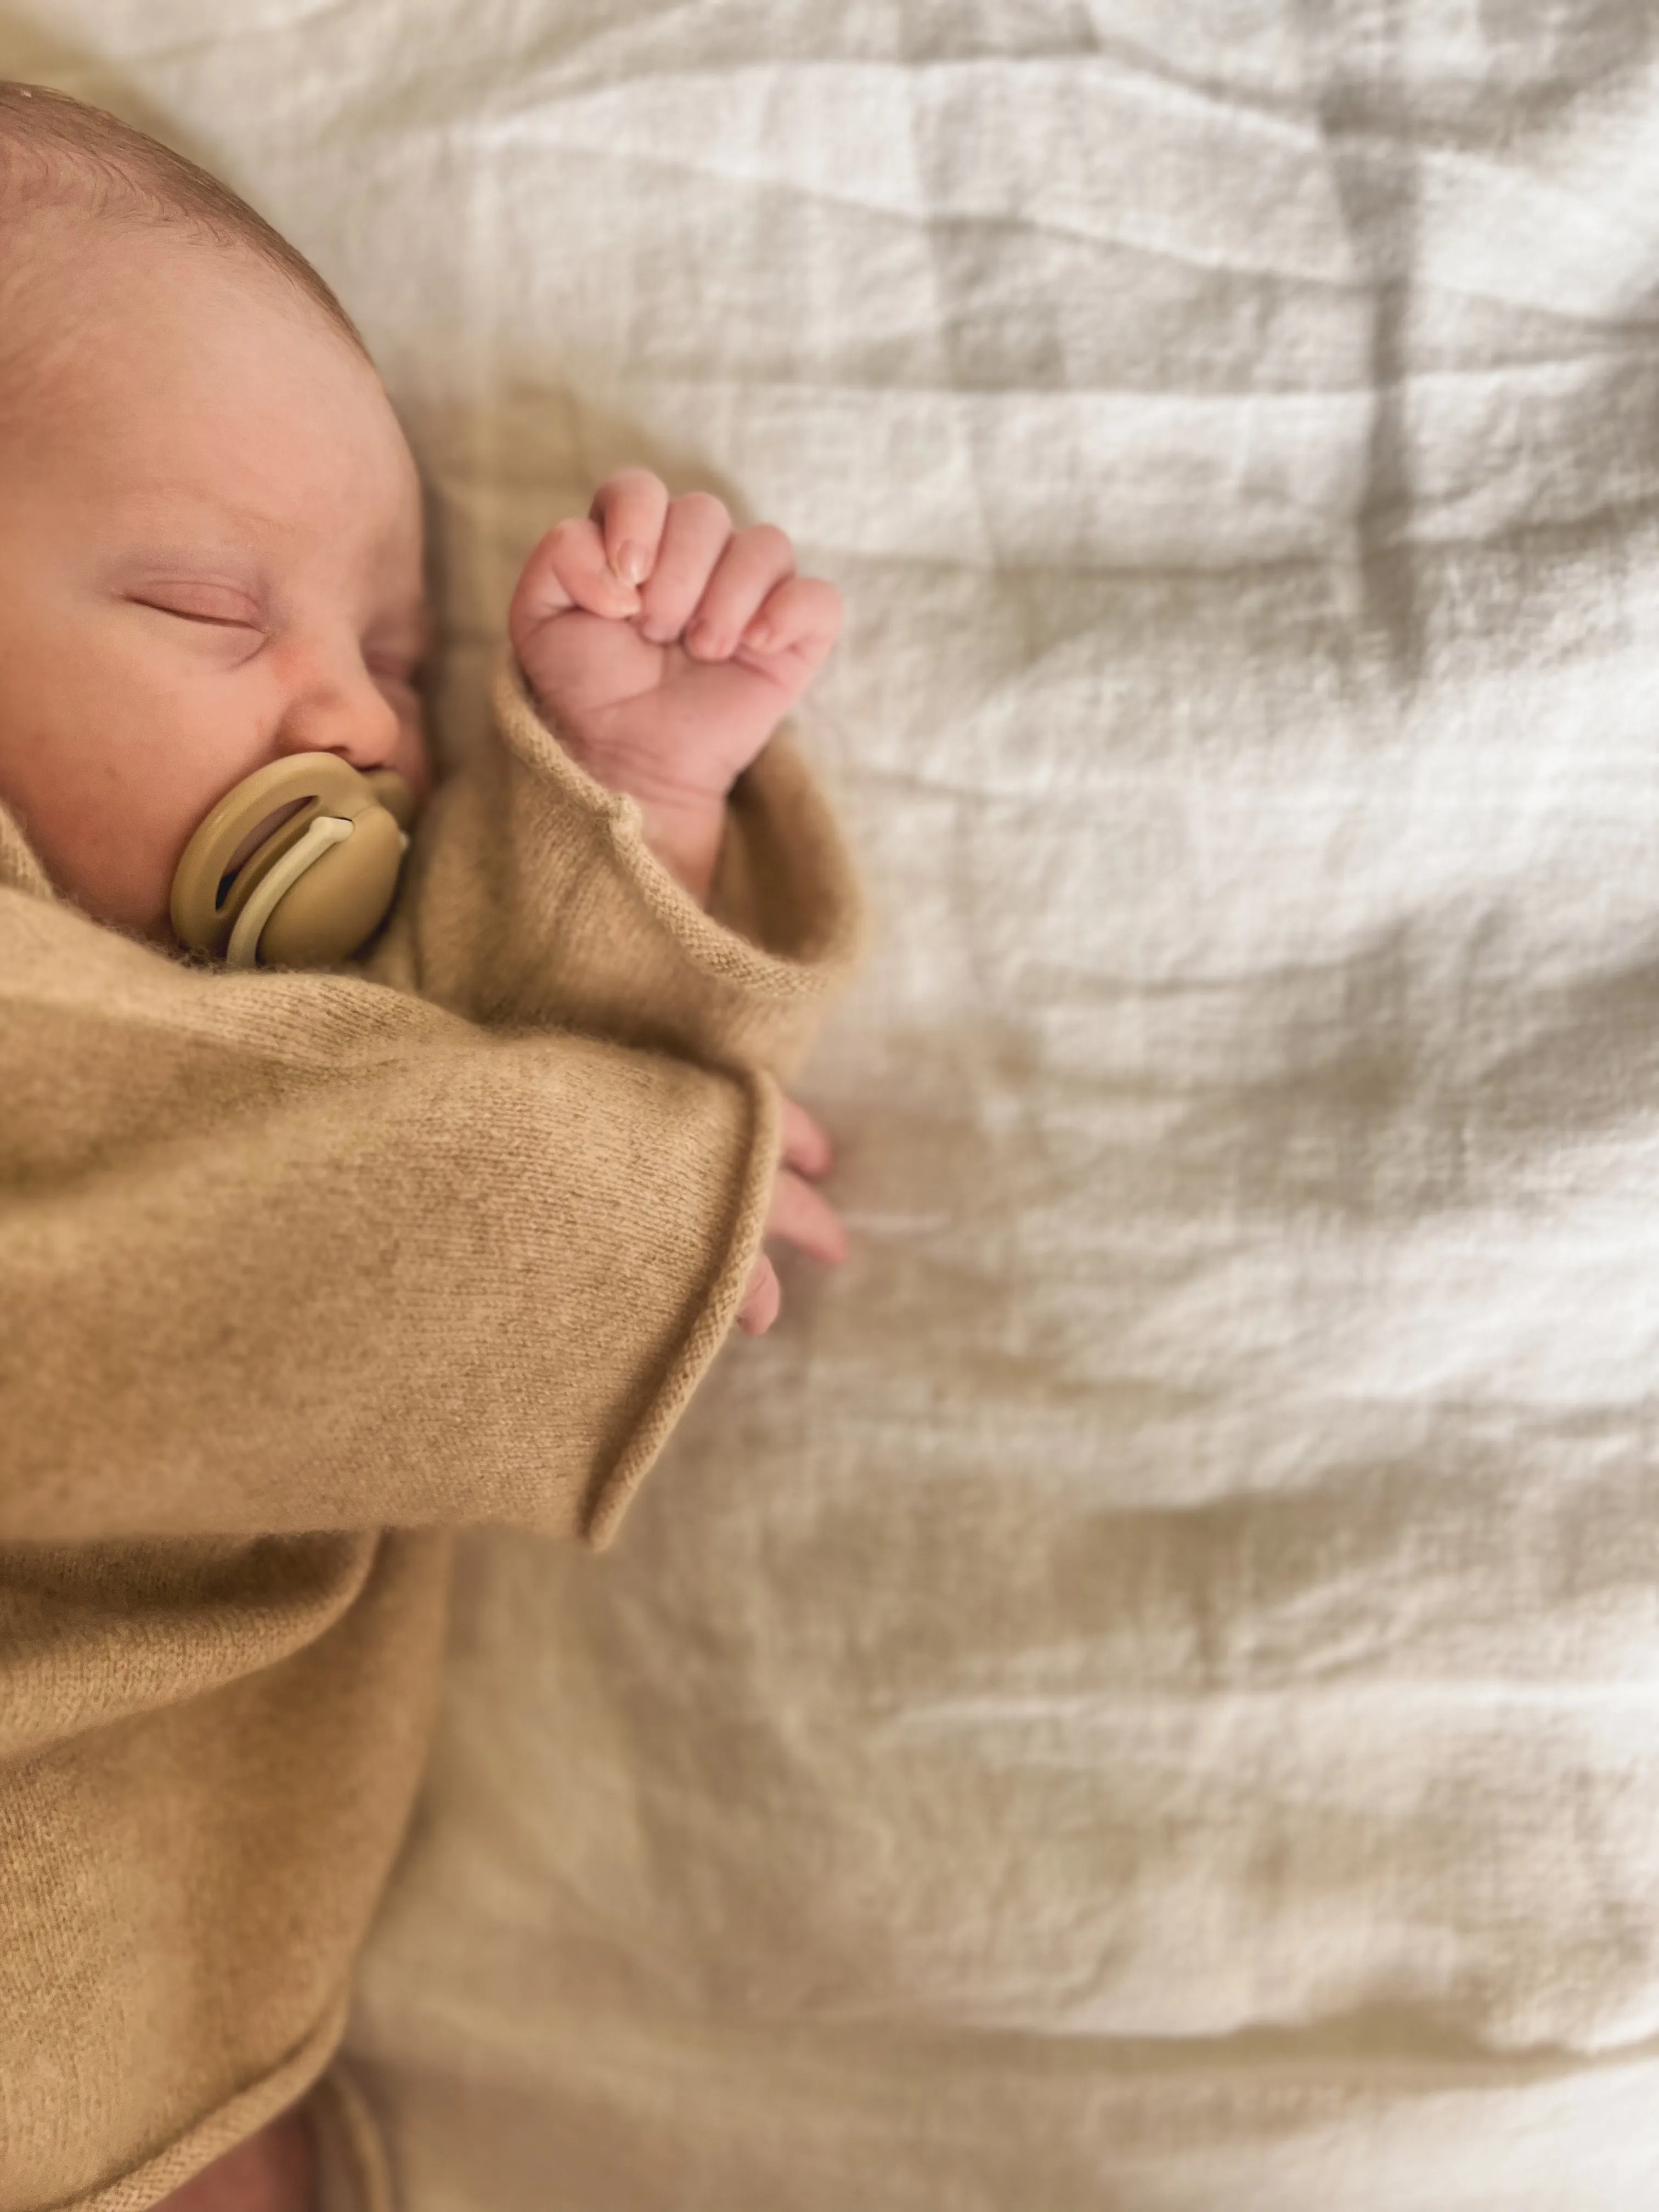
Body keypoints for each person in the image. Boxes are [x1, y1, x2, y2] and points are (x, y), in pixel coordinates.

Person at [0, 81, 863, 2212]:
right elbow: (153, 1233)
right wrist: (589, 1224)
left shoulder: (265, 1035)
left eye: (397, 661)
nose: (372, 720)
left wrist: (621, 817)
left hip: (145, 2008)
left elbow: (389, 1101)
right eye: (212, 609)